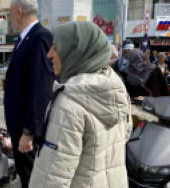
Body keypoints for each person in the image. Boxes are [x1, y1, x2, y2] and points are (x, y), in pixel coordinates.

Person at [29, 21, 131, 188]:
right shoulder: (117, 92)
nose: (49, 54)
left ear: (76, 53)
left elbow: (51, 178)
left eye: (55, 47)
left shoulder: (69, 103)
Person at [4, 0, 55, 188]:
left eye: (10, 13)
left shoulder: (41, 37)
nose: (10, 18)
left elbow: (41, 87)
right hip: (19, 124)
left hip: (27, 128)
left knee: (32, 178)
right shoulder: (24, 38)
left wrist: (30, 131)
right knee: (26, 176)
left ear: (19, 11)